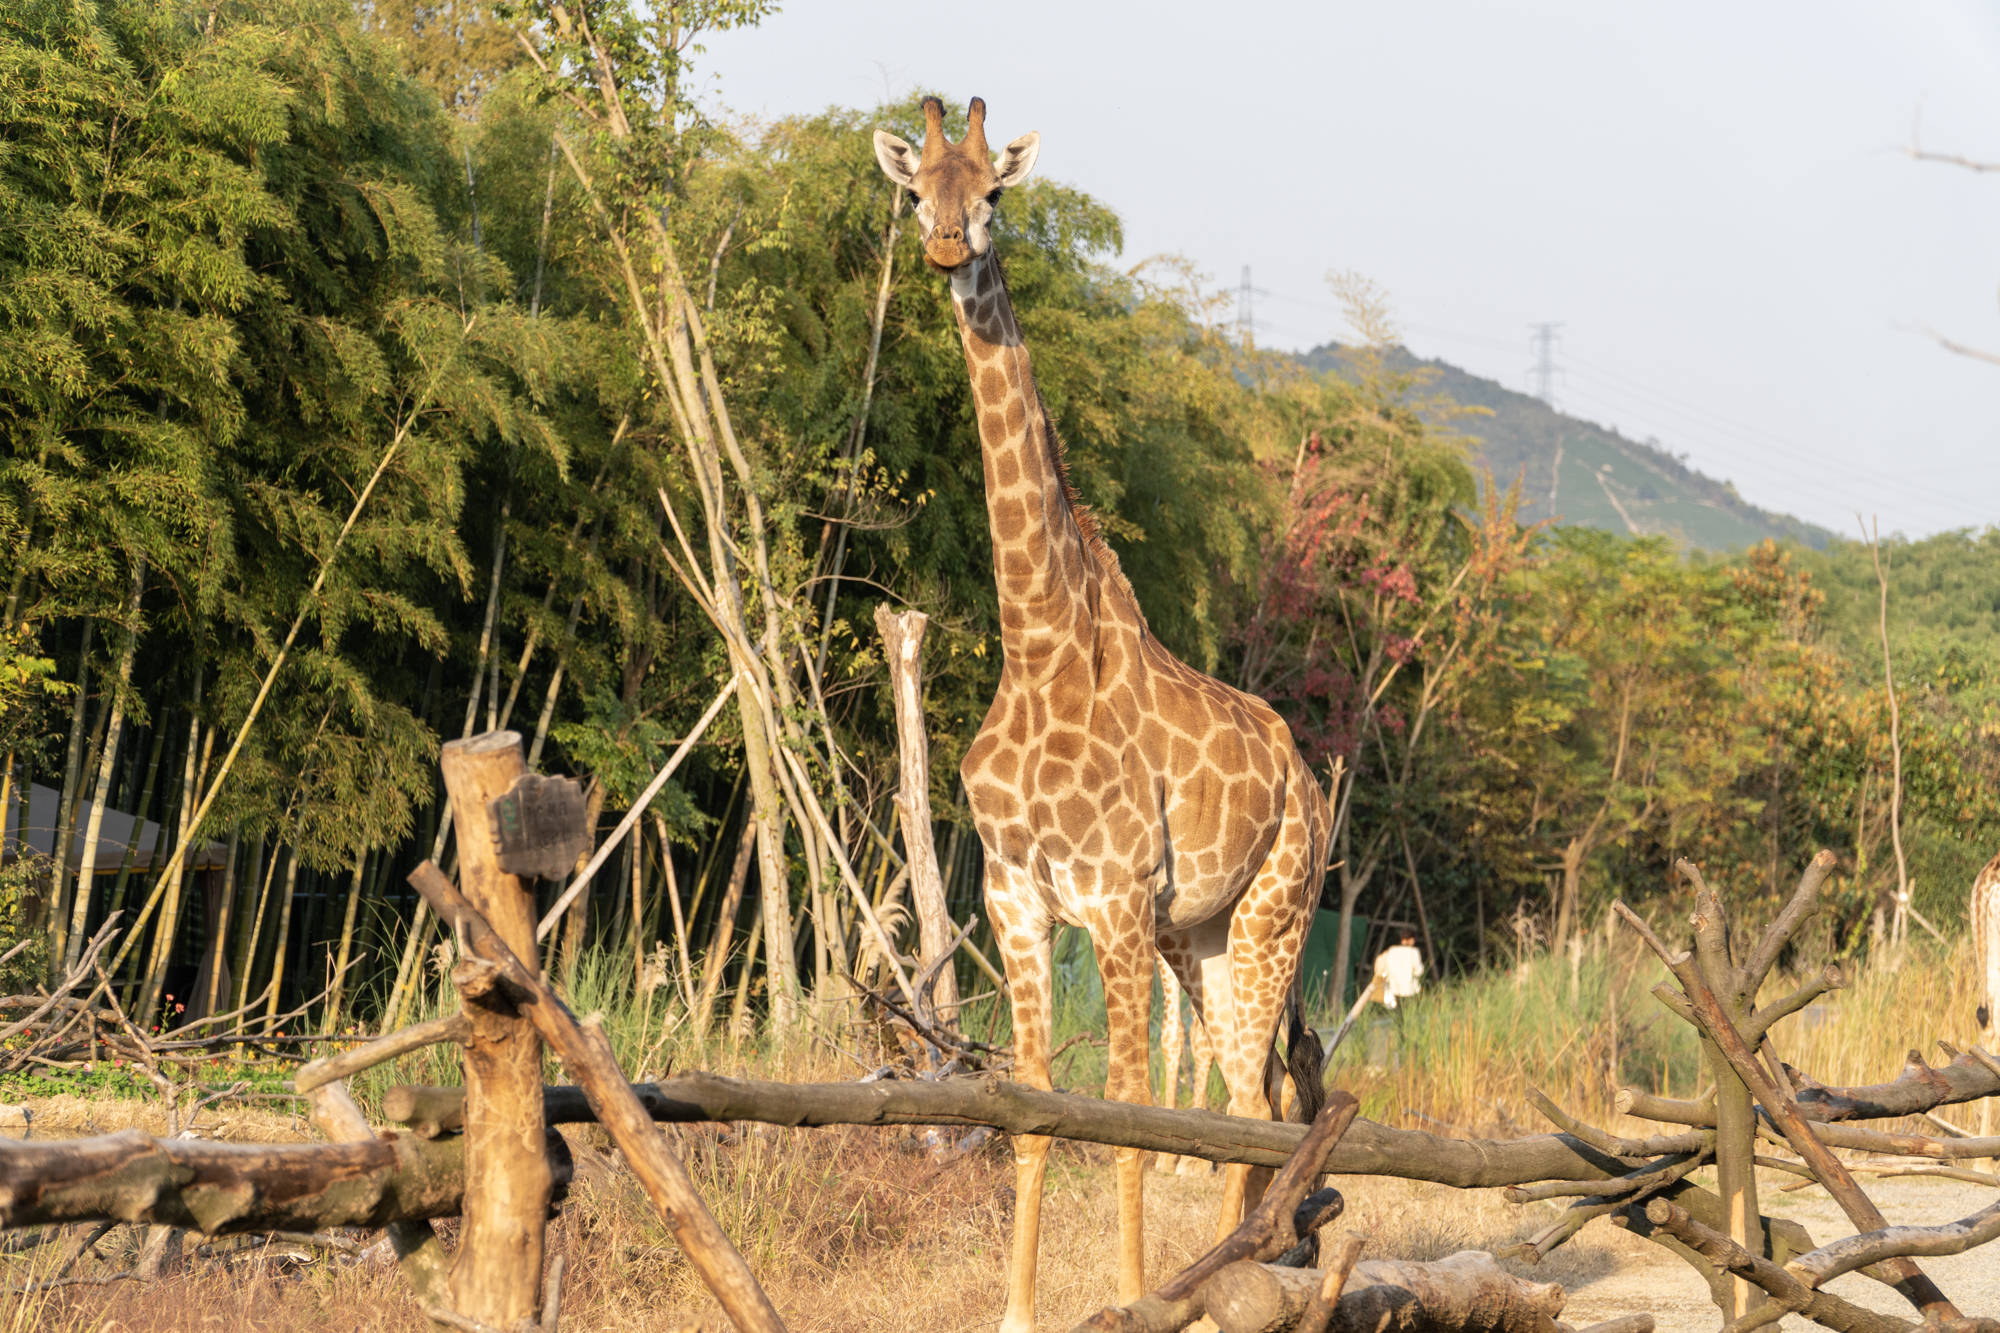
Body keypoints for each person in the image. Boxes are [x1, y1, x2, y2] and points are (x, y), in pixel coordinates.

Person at [1373, 929, 1425, 1011]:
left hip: (1394, 989)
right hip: (1410, 990)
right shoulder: (1414, 952)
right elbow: (1419, 971)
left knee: (1398, 1015)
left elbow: (1381, 967)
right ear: (1412, 940)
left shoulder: (1391, 951)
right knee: (1411, 1013)